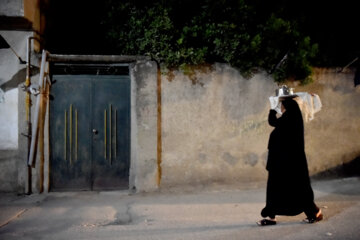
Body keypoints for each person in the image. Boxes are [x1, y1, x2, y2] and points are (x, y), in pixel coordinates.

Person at [257, 97, 323, 226]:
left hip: (290, 164)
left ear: (288, 107)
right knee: (275, 189)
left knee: (298, 188)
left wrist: (272, 110)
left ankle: (315, 212)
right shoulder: (289, 118)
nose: (281, 108)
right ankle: (271, 217)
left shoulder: (290, 119)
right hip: (280, 163)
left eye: (282, 106)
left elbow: (272, 122)